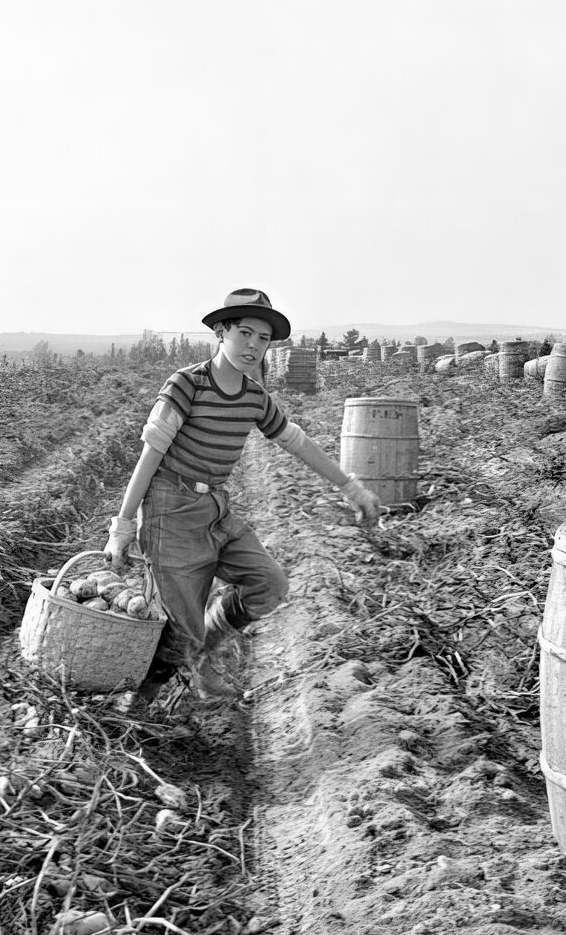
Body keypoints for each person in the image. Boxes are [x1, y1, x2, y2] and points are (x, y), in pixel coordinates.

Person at [103, 288, 382, 702]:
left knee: (268, 584)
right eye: (245, 333)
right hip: (169, 508)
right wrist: (122, 526)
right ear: (221, 331)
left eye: (263, 338)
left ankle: (201, 655)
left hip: (214, 508)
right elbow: (151, 453)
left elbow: (298, 442)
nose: (254, 345)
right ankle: (133, 711)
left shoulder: (254, 398)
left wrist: (352, 488)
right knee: (179, 630)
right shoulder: (187, 384)